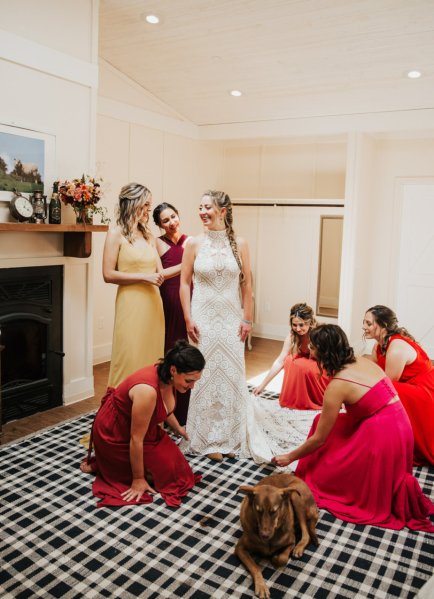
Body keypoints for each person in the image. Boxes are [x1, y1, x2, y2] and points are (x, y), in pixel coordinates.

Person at [272, 324, 434, 532]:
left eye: (312, 346)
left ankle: (324, 477)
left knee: (328, 446)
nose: (309, 350)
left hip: (382, 436)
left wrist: (290, 457)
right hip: (402, 429)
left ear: (323, 352)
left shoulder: (337, 385)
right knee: (320, 421)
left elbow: (319, 439)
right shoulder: (361, 360)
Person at [80, 340, 205, 508]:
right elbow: (136, 438)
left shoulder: (167, 377)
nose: (192, 386)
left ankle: (113, 465)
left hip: (139, 427)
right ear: (174, 370)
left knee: (176, 471)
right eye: (189, 381)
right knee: (157, 476)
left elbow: (165, 408)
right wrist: (138, 479)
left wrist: (178, 429)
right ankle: (108, 463)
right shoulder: (147, 391)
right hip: (115, 433)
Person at [179, 190, 253, 461]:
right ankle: (208, 437)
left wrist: (247, 318)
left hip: (232, 319)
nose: (202, 212)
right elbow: (184, 283)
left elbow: (247, 283)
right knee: (205, 374)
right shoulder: (193, 244)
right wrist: (188, 317)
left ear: (223, 211)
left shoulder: (240, 243)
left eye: (207, 207)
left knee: (231, 374)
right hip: (203, 320)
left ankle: (231, 435)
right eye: (199, 206)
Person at [103, 183, 165, 388]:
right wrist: (143, 277)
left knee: (152, 360)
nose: (149, 210)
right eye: (146, 204)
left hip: (153, 305)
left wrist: (189, 264)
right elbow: (108, 274)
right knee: (128, 356)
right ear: (132, 203)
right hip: (130, 304)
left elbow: (160, 273)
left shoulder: (149, 236)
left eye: (150, 204)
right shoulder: (115, 234)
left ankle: (149, 413)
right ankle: (120, 411)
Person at [363, 305, 434, 466]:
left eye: (368, 323)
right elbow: (373, 369)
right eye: (364, 322)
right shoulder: (378, 346)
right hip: (410, 386)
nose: (364, 327)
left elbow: (388, 385)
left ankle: (389, 440)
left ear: (383, 326)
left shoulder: (396, 348)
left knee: (386, 392)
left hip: (425, 391)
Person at [153, 202, 191, 425]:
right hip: (167, 301)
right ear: (159, 225)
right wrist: (188, 262)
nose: (171, 223)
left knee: (189, 352)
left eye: (173, 217)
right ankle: (170, 412)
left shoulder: (191, 241)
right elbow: (161, 275)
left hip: (190, 299)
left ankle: (188, 410)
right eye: (165, 220)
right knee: (171, 353)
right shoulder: (157, 243)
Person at [253, 303, 328, 409]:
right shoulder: (292, 336)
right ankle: (297, 398)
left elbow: (330, 359)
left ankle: (311, 399)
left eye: (301, 325)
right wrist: (262, 385)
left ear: (310, 322)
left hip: (322, 368)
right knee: (288, 360)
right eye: (294, 325)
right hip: (307, 369)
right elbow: (280, 361)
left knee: (301, 365)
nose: (297, 329)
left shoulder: (318, 334)